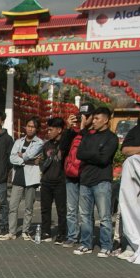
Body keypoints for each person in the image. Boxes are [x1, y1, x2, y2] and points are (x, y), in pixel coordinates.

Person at [74, 106, 118, 257]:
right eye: (93, 118)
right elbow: (80, 154)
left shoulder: (111, 138)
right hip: (85, 180)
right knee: (85, 215)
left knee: (104, 216)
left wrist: (90, 155)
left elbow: (104, 158)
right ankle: (86, 243)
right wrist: (96, 153)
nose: (94, 121)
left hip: (102, 181)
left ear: (106, 120)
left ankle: (106, 245)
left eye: (97, 118)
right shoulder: (89, 136)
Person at [2, 118, 44, 241]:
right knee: (13, 206)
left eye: (33, 126)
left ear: (37, 129)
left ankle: (26, 231)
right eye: (29, 126)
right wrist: (27, 160)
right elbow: (12, 158)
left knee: (28, 207)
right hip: (18, 176)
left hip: (31, 177)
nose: (30, 128)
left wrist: (23, 156)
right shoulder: (18, 141)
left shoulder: (39, 142)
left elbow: (30, 154)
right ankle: (12, 232)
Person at [59, 106, 90, 247]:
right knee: (71, 209)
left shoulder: (92, 133)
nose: (81, 119)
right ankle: (72, 236)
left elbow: (87, 148)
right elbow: (63, 147)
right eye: (80, 116)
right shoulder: (72, 132)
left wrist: (84, 128)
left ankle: (86, 238)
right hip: (71, 175)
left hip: (85, 176)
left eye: (85, 116)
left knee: (85, 211)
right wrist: (68, 128)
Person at [38, 117, 68, 244]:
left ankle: (62, 233)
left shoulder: (65, 144)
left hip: (60, 182)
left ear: (59, 130)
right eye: (47, 129)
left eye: (51, 129)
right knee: (45, 208)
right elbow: (42, 161)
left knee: (61, 210)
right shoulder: (46, 145)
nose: (48, 132)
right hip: (46, 182)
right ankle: (46, 232)